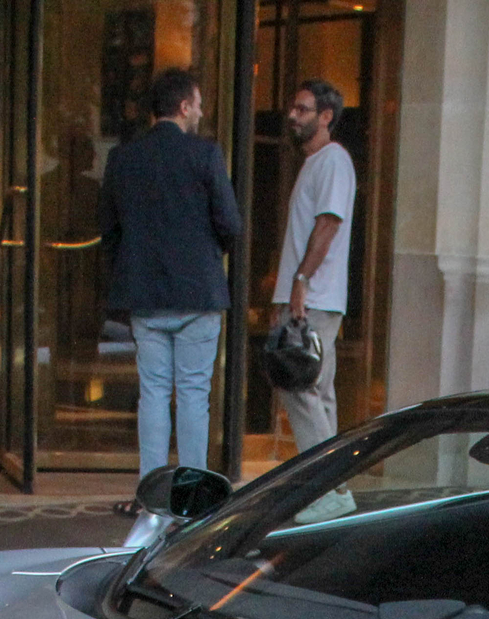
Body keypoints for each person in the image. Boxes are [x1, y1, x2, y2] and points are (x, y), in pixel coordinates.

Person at [98, 67, 241, 481]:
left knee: (154, 394)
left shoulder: (123, 158)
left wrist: (131, 268)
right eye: (197, 103)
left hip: (144, 294)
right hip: (199, 294)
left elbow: (109, 229)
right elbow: (230, 223)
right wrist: (208, 256)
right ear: (183, 106)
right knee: (194, 394)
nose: (200, 110)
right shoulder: (206, 155)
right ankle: (193, 494)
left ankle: (153, 494)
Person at [271, 79, 356, 454]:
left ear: (326, 116)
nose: (292, 115)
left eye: (302, 109)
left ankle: (324, 491)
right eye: (293, 107)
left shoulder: (333, 159)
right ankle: (331, 492)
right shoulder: (316, 163)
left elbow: (329, 223)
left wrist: (300, 282)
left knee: (299, 388)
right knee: (316, 394)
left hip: (313, 299)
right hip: (313, 297)